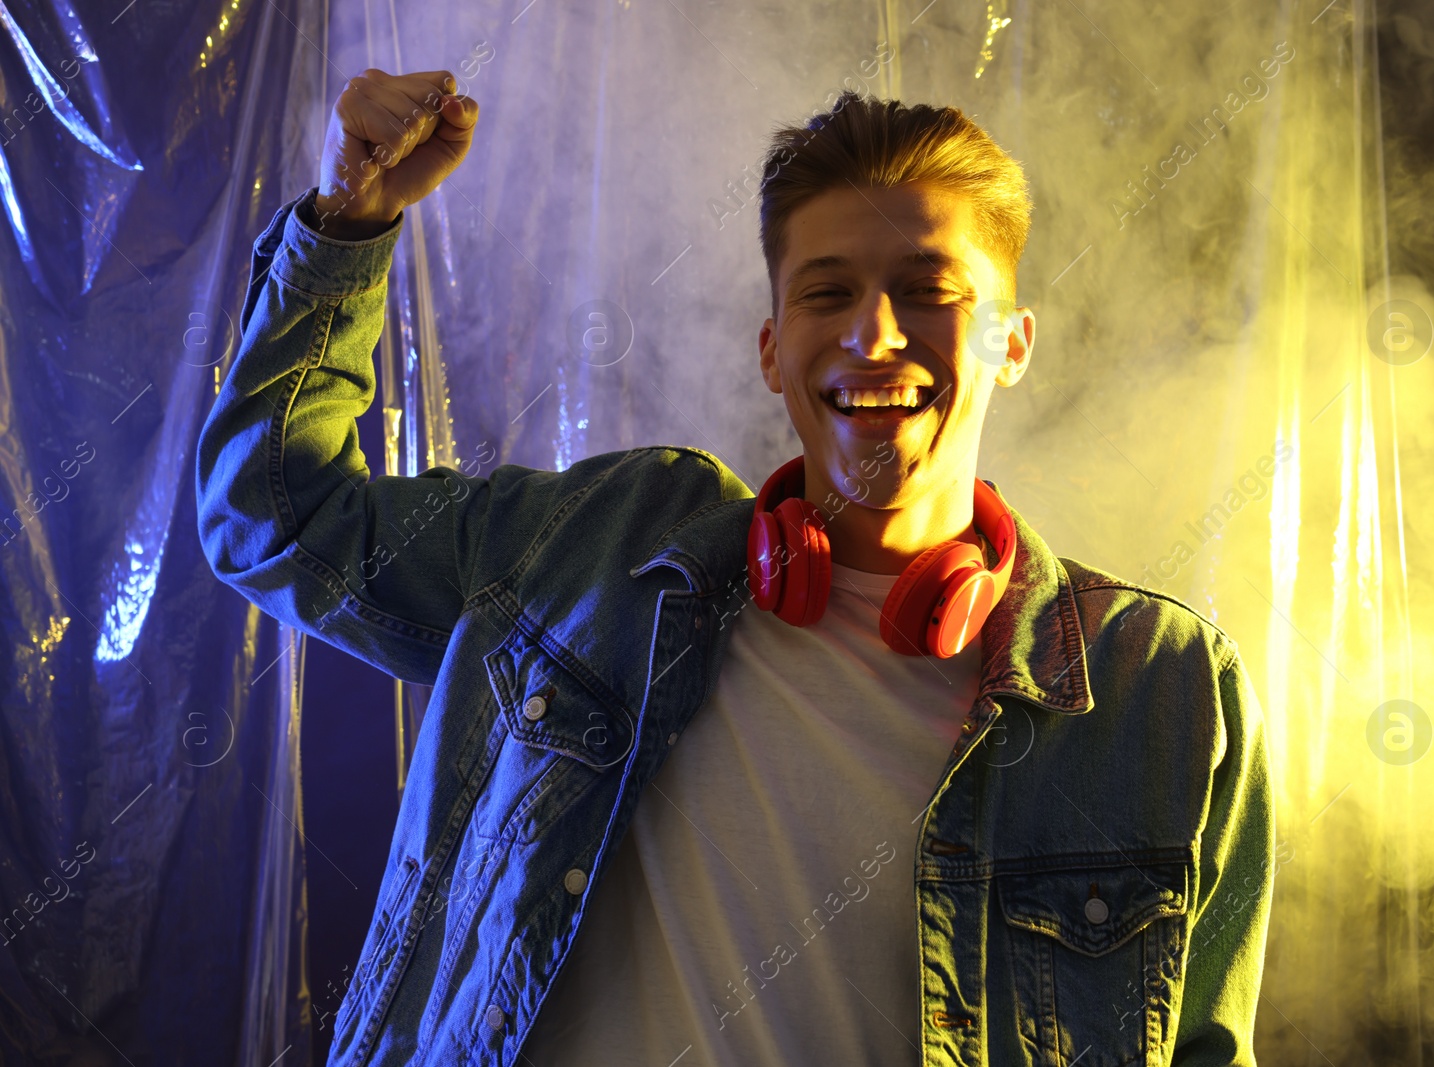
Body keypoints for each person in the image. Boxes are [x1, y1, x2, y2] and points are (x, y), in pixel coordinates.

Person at [195, 66, 1276, 1067]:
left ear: (1012, 342)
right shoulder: (596, 548)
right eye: (827, 291)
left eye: (926, 288)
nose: (874, 334)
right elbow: (274, 517)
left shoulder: (1165, 689)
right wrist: (350, 217)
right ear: (771, 347)